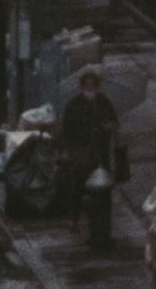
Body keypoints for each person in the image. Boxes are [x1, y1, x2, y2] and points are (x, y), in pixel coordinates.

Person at [49, 63, 125, 260]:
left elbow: (113, 123)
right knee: (79, 185)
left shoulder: (103, 102)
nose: (91, 90)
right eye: (87, 86)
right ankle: (75, 217)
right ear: (82, 87)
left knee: (103, 188)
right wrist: (66, 151)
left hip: (100, 153)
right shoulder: (74, 105)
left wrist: (108, 128)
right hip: (81, 153)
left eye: (93, 86)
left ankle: (101, 222)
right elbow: (66, 131)